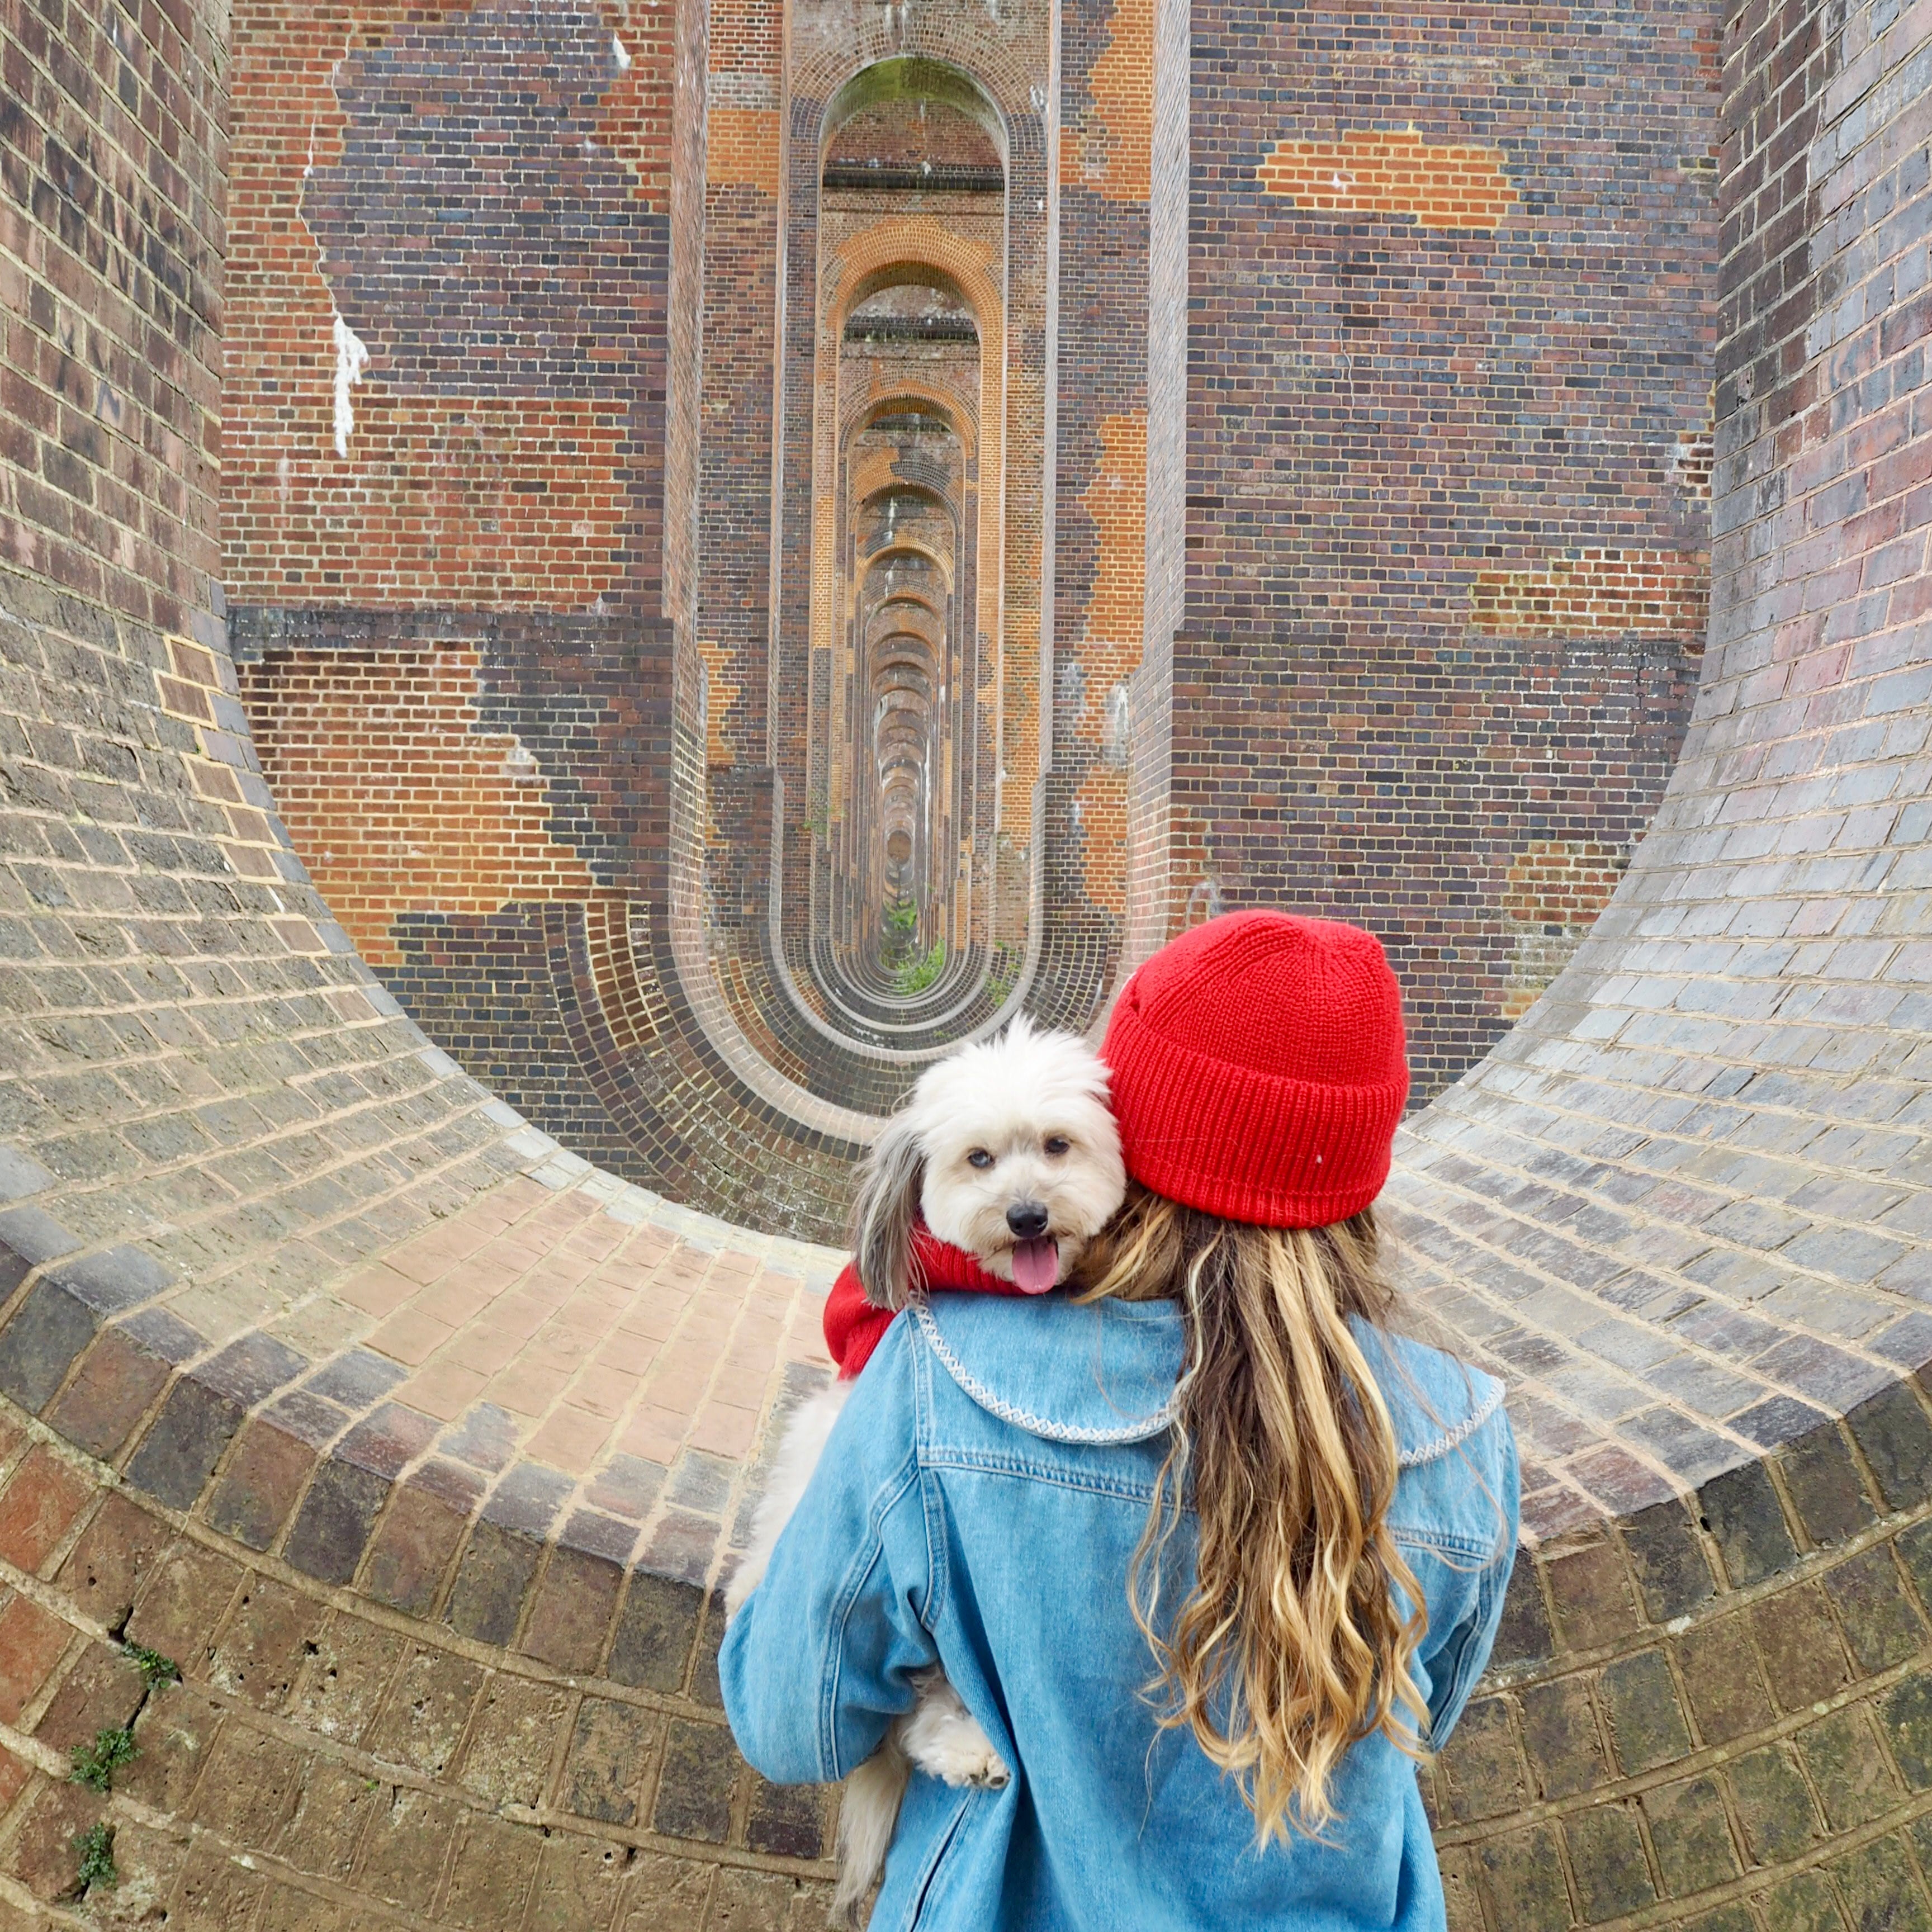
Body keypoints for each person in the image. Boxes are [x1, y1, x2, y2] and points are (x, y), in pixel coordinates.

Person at [720, 910, 1519, 1931]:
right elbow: (1422, 1721)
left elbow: (788, 1725)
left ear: (1136, 1126)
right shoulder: (1463, 1430)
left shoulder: (932, 1379)